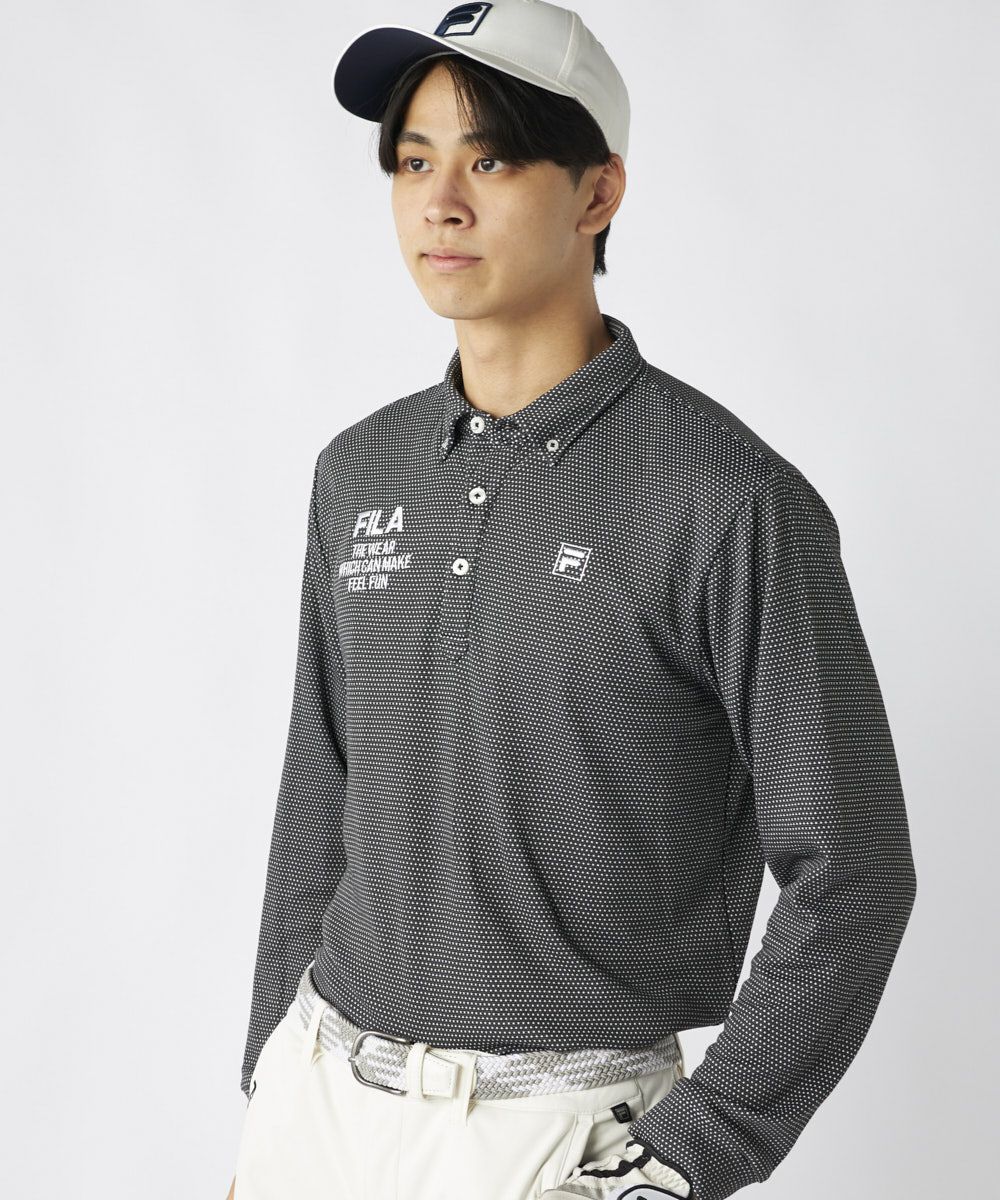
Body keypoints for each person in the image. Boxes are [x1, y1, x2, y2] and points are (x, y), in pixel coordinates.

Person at [228, 4, 918, 1199]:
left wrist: (690, 1153)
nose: (441, 203)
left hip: (552, 1138)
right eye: (412, 162)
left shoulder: (725, 498)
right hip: (317, 1107)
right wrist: (272, 1082)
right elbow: (320, 785)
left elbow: (851, 867)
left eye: (490, 160)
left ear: (597, 193)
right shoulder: (358, 473)